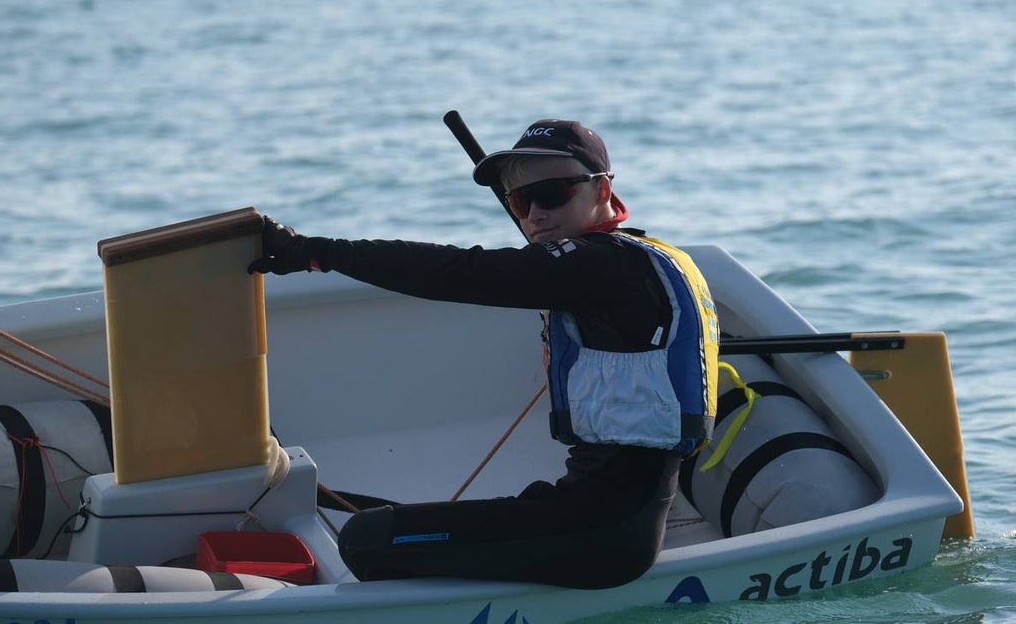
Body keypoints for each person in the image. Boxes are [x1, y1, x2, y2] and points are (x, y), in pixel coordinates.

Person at [248, 119, 719, 589]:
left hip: (607, 532)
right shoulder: (636, 257)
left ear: (601, 190)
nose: (535, 213)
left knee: (367, 540)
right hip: (600, 511)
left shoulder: (604, 266)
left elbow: (458, 271)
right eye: (520, 200)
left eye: (553, 193)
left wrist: (314, 252)